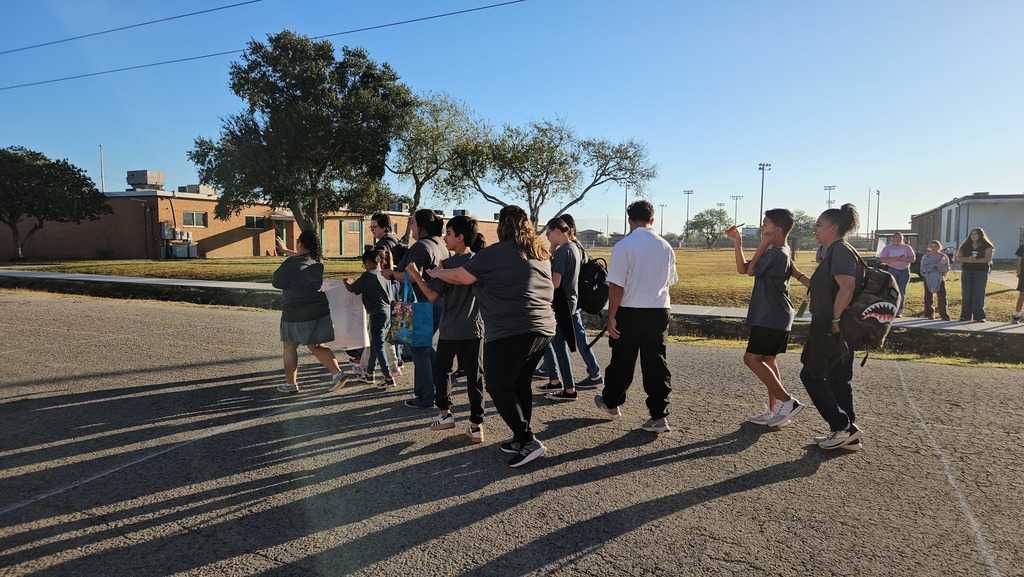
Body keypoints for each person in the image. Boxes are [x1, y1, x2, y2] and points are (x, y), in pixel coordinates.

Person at [429, 205, 555, 468]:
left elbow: (461, 277)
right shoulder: (539, 252)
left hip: (512, 331)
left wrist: (438, 272)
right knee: (520, 384)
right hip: (543, 329)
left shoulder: (496, 253)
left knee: (497, 386)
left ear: (502, 228)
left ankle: (527, 440)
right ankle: (521, 438)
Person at [592, 200, 678, 434]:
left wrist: (611, 316)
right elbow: (670, 281)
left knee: (622, 360)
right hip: (659, 310)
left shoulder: (624, 245)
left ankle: (612, 402)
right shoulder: (665, 246)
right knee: (655, 363)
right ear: (652, 219)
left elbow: (616, 286)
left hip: (630, 310)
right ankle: (659, 415)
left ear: (629, 220)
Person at [405, 216, 487, 442]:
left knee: (443, 370)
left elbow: (431, 296)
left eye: (449, 234)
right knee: (475, 377)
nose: (445, 237)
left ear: (460, 237)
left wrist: (416, 275)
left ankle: (445, 414)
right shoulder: (479, 262)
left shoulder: (448, 265)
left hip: (451, 329)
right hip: (474, 328)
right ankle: (476, 425)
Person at [726, 208, 809, 428]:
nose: (762, 227)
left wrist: (762, 245)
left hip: (770, 314)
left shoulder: (776, 252)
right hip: (775, 315)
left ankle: (787, 401)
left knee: (751, 358)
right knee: (768, 361)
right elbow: (743, 269)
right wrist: (738, 244)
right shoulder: (781, 250)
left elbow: (751, 271)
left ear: (777, 229)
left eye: (765, 224)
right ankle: (775, 411)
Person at [800, 203, 863, 450]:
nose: (814, 228)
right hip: (837, 325)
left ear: (834, 227)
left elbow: (846, 286)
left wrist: (834, 320)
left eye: (819, 224)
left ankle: (842, 426)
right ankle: (848, 434)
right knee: (838, 378)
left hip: (832, 325)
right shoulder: (837, 251)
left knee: (811, 374)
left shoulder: (840, 251)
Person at [383, 209, 449, 408]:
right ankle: (443, 382)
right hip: (437, 302)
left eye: (412, 223)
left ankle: (425, 397)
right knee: (424, 347)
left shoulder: (420, 246)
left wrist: (391, 274)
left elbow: (412, 275)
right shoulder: (440, 245)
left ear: (421, 226)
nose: (411, 227)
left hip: (419, 303)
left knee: (418, 351)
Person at [271, 230, 344, 394]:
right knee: (316, 344)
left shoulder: (290, 263)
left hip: (295, 311)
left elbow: (277, 282)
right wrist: (286, 251)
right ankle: (337, 374)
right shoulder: (318, 261)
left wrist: (286, 256)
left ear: (301, 243)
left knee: (289, 347)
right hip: (319, 309)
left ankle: (291, 384)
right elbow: (300, 258)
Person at [557, 214, 603, 389]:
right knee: (564, 336)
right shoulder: (577, 247)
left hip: (572, 299)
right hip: (576, 298)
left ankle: (595, 373)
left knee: (578, 337)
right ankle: (548, 368)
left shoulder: (572, 247)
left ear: (571, 230)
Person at [540, 217, 583, 401]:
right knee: (558, 345)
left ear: (557, 231)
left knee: (559, 347)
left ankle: (569, 389)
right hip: (570, 301)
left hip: (561, 304)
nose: (548, 237)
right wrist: (551, 251)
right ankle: (558, 381)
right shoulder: (573, 247)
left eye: (548, 233)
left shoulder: (563, 252)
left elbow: (555, 283)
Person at [342, 248, 395, 389]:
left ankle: (388, 377)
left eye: (363, 264)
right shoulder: (385, 275)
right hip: (387, 311)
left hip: (376, 313)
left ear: (369, 262)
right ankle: (370, 373)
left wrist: (347, 282)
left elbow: (354, 289)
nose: (364, 267)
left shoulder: (368, 275)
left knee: (378, 346)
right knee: (376, 343)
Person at [955, 227, 995, 322]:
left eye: (975, 234)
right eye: (972, 234)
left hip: (981, 272)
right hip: (967, 271)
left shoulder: (987, 246)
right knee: (966, 293)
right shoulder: (965, 245)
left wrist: (975, 261)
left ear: (981, 235)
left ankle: (979, 316)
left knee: (979, 294)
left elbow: (987, 259)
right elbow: (958, 258)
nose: (973, 236)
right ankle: (965, 316)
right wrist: (968, 259)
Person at [877, 232, 915, 317]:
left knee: (901, 291)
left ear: (902, 239)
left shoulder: (907, 247)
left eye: (899, 237)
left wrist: (904, 259)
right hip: (892, 270)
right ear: (893, 238)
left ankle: (899, 311)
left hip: (904, 271)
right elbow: (882, 259)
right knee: (892, 290)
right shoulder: (888, 248)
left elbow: (912, 259)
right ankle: (890, 309)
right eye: (896, 237)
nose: (898, 239)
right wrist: (896, 258)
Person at [919, 240, 951, 321]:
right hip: (928, 278)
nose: (933, 248)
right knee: (928, 296)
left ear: (939, 247)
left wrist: (938, 266)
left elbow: (946, 268)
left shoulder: (943, 257)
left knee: (942, 297)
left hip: (939, 279)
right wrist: (933, 266)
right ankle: (929, 314)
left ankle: (944, 315)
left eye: (935, 246)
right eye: (931, 246)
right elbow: (922, 269)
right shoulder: (925, 257)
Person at [1015, 242, 1024, 324]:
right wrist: (1019, 272)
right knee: (1022, 294)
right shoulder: (1022, 248)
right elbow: (1018, 260)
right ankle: (1016, 315)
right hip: (1023, 275)